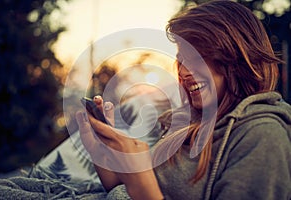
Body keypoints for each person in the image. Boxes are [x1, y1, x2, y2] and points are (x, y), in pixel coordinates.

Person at [76, 0, 291, 199]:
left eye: (197, 57)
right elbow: (120, 189)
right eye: (181, 60)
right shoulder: (185, 125)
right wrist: (100, 148)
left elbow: (144, 191)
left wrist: (143, 182)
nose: (185, 72)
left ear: (234, 59)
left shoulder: (263, 136)